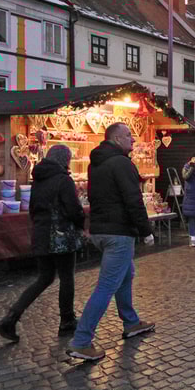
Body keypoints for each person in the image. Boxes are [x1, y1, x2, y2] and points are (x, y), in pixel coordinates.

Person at [67, 123, 155, 362]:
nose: (133, 140)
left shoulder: (96, 164)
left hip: (101, 230)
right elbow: (133, 199)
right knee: (107, 285)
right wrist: (146, 230)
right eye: (128, 135)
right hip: (119, 232)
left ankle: (131, 322)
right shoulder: (122, 163)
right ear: (116, 139)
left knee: (126, 274)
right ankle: (81, 341)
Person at [0, 145, 86, 342]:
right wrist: (80, 223)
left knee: (44, 278)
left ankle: (10, 318)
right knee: (66, 277)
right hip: (61, 235)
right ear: (65, 160)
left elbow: (33, 208)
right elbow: (73, 209)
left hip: (41, 234)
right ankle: (67, 320)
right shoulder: (64, 180)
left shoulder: (38, 180)